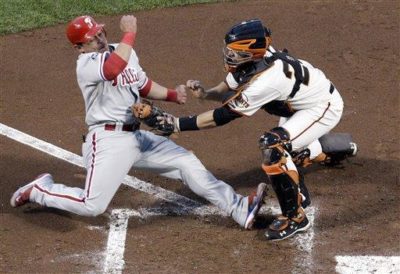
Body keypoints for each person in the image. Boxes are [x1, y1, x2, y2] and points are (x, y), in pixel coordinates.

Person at [9, 15, 267, 230]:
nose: (99, 39)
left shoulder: (121, 51)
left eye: (100, 33)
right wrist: (129, 34)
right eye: (92, 38)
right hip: (108, 141)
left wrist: (172, 95)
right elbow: (112, 70)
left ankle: (238, 208)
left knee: (185, 162)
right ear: (79, 47)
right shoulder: (86, 64)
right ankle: (41, 190)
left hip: (137, 136)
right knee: (93, 205)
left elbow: (141, 84)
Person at [165, 18, 355, 241]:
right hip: (299, 106)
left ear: (250, 53)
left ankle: (295, 218)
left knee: (273, 146)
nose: (230, 55)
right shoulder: (254, 61)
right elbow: (229, 89)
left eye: (235, 52)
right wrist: (207, 94)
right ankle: (327, 147)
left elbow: (223, 115)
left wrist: (178, 124)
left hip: (322, 108)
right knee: (287, 152)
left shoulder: (267, 81)